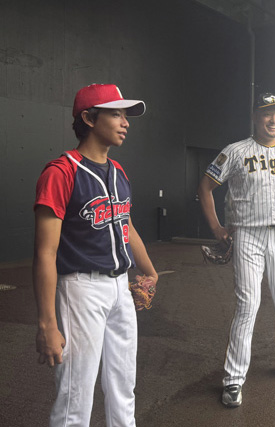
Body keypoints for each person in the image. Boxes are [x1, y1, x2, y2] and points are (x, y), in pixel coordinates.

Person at [33, 84, 158, 426]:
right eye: (116, 114)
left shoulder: (119, 172)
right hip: (81, 289)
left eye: (125, 115)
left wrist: (149, 270)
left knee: (124, 388)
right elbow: (45, 253)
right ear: (89, 118)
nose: (125, 122)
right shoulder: (61, 172)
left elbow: (126, 225)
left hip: (120, 289)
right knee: (76, 395)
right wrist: (47, 324)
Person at [197, 92, 275, 408]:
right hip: (247, 235)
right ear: (254, 116)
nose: (274, 119)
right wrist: (216, 228)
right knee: (247, 305)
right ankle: (234, 377)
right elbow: (205, 187)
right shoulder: (235, 151)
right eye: (267, 113)